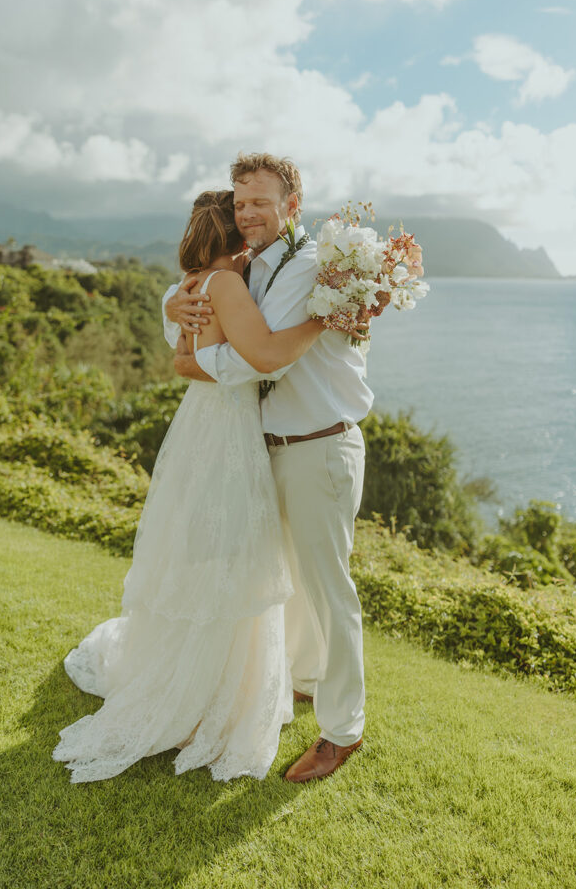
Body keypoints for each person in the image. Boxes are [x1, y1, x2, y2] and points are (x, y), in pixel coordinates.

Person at [52, 190, 326, 783]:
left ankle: (205, 676)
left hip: (199, 425)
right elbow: (266, 354)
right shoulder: (224, 285)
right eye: (245, 219)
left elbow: (183, 354)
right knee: (236, 557)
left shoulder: (193, 282)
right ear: (234, 232)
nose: (253, 227)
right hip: (227, 428)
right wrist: (328, 317)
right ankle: (209, 694)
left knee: (204, 552)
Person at [165, 152, 422, 783]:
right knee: (292, 581)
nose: (246, 212)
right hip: (267, 447)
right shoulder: (253, 263)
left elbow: (266, 357)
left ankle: (342, 732)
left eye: (260, 202)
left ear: (291, 207)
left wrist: (197, 366)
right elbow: (199, 286)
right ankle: (306, 680)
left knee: (330, 590)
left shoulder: (311, 266)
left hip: (320, 444)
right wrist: (177, 303)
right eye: (240, 202)